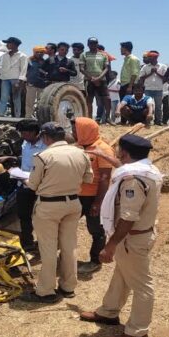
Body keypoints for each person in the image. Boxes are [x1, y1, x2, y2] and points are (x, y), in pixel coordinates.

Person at [80, 134, 163, 337]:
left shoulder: (133, 181)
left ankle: (137, 332)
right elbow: (125, 167)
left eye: (119, 151)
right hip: (137, 236)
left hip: (131, 238)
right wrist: (103, 156)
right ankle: (109, 312)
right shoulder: (147, 169)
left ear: (125, 153)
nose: (116, 154)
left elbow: (128, 216)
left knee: (142, 285)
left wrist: (110, 245)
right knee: (122, 276)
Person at [21, 123, 93, 304]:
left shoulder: (44, 156)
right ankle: (68, 287)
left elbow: (33, 184)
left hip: (49, 206)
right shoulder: (81, 153)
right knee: (69, 247)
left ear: (45, 137)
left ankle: (45, 291)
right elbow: (88, 179)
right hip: (73, 203)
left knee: (48, 248)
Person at [72, 117, 115, 274]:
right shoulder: (79, 147)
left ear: (85, 130)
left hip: (93, 196)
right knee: (67, 225)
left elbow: (104, 178)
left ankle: (95, 261)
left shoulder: (103, 149)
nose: (72, 133)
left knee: (96, 229)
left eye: (75, 130)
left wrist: (97, 203)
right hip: (76, 195)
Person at [15, 119, 47, 253]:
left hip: (40, 187)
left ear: (34, 132)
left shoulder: (46, 146)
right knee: (24, 215)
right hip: (23, 184)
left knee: (42, 217)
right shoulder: (25, 142)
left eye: (25, 133)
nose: (22, 136)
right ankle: (27, 243)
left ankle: (43, 245)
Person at [81, 38, 110, 122]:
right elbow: (82, 69)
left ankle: (108, 118)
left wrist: (98, 78)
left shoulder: (104, 55)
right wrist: (92, 78)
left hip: (102, 80)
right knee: (89, 99)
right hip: (89, 80)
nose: (93, 45)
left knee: (107, 98)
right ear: (88, 44)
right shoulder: (84, 55)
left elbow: (106, 68)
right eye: (91, 43)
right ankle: (89, 119)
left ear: (97, 44)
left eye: (95, 43)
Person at [0, 36, 27, 117]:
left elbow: (23, 69)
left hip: (16, 79)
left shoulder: (22, 55)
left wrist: (20, 81)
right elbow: (0, 66)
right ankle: (1, 115)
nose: (7, 45)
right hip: (4, 78)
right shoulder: (4, 55)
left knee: (16, 99)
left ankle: (17, 116)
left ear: (14, 44)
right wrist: (2, 72)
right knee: (3, 98)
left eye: (8, 43)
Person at [138, 51, 167, 125]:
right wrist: (150, 73)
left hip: (159, 89)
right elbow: (141, 78)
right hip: (148, 89)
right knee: (147, 105)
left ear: (156, 57)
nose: (149, 58)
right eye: (149, 57)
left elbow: (165, 78)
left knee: (158, 107)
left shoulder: (163, 66)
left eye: (151, 57)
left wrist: (157, 73)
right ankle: (147, 120)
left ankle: (158, 121)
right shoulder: (145, 67)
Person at [25, 45, 47, 118]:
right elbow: (24, 71)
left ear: (44, 53)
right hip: (31, 84)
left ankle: (40, 118)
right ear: (34, 52)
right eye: (37, 52)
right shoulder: (29, 60)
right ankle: (28, 118)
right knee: (29, 103)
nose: (39, 53)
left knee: (41, 103)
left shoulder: (45, 62)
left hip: (42, 85)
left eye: (41, 52)